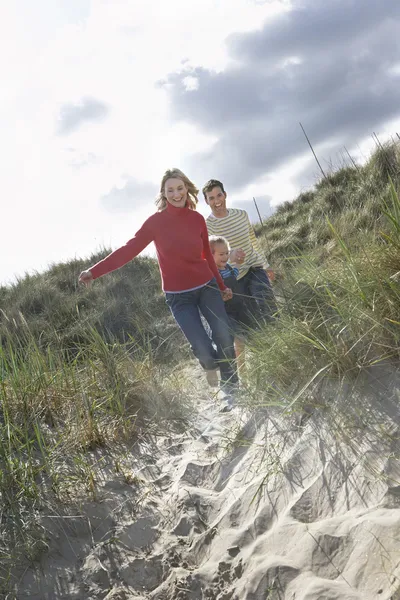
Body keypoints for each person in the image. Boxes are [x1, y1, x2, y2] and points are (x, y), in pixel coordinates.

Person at [79, 168, 238, 394]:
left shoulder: (197, 219)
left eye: (180, 188)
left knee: (223, 334)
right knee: (202, 349)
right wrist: (93, 272)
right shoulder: (155, 223)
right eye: (170, 190)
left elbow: (207, 257)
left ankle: (232, 388)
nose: (176, 194)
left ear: (186, 189)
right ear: (163, 194)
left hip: (207, 286)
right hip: (178, 297)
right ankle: (211, 366)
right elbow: (128, 250)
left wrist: (221, 286)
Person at [203, 179, 277, 325]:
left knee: (268, 306)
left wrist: (266, 265)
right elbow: (210, 259)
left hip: (254, 268)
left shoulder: (241, 215)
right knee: (253, 321)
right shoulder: (206, 227)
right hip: (233, 278)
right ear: (206, 201)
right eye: (211, 198)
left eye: (219, 195)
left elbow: (253, 241)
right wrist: (230, 256)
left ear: (225, 195)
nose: (216, 201)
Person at [209, 235, 254, 377]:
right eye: (221, 254)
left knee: (243, 341)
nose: (225, 257)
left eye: (227, 253)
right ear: (210, 255)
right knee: (236, 341)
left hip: (240, 307)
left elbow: (233, 275)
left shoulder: (227, 267)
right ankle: (233, 373)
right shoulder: (212, 274)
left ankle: (243, 371)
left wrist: (238, 265)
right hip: (226, 312)